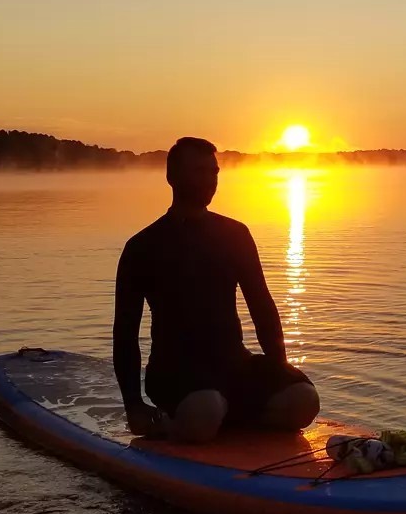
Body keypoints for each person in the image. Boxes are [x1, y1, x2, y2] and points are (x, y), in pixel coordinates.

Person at [113, 136, 320, 441]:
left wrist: (279, 367)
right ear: (172, 177)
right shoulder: (142, 247)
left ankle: (229, 417)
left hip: (234, 365)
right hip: (175, 373)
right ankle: (171, 426)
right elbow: (126, 333)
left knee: (304, 400)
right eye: (199, 171)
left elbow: (262, 306)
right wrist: (133, 404)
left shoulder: (235, 234)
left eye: (214, 172)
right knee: (205, 408)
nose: (210, 181)